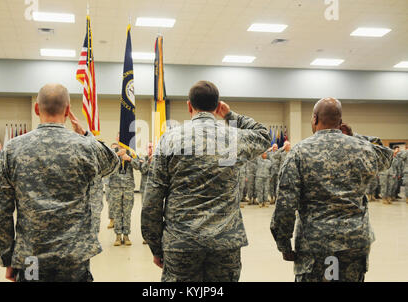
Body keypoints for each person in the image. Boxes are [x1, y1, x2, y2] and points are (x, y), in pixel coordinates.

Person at [0, 83, 119, 282]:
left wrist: (8, 258)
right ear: (68, 110)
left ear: (36, 108)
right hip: (73, 258)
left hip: (32, 258)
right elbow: (112, 162)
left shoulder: (12, 150)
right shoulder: (85, 147)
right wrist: (85, 135)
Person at [142, 80, 271, 282]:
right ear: (218, 106)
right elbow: (264, 136)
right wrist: (230, 115)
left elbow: (152, 199)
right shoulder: (233, 137)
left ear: (189, 106)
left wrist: (156, 246)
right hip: (224, 243)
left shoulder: (170, 139)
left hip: (181, 242)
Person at [270, 97, 393, 282]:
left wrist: (284, 244)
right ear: (341, 121)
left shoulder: (299, 152)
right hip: (354, 242)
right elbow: (387, 156)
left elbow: (286, 204)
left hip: (316, 244)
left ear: (314, 118)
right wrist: (355, 136)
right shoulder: (362, 148)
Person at [108, 143, 141, 246]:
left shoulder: (132, 152)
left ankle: (126, 235)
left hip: (128, 186)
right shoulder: (112, 152)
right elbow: (107, 165)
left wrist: (129, 159)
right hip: (115, 186)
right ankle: (118, 236)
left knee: (127, 212)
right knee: (117, 211)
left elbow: (138, 166)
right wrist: (118, 155)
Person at [106, 142, 119, 229]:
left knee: (118, 203)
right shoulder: (108, 158)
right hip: (109, 183)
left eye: (116, 149)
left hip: (117, 183)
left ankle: (118, 221)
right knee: (110, 203)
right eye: (112, 149)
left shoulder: (120, 158)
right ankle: (111, 220)